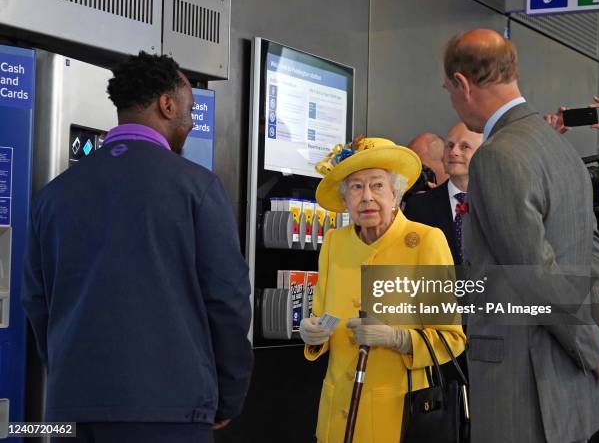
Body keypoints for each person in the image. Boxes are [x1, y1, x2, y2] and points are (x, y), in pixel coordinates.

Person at [21, 52, 253, 443]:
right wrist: (228, 395)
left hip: (71, 411)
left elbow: (36, 301)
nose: (191, 122)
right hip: (170, 409)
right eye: (189, 109)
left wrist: (69, 376)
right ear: (167, 104)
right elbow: (227, 299)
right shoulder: (197, 188)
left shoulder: (53, 195)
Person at [442, 29, 599, 443]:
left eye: (448, 88)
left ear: (463, 84)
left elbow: (535, 271)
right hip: (570, 385)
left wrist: (593, 351)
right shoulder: (562, 151)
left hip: (523, 385)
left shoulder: (497, 155)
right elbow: (591, 249)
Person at [299, 137, 466, 443]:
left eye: (377, 185)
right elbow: (320, 315)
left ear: (395, 191)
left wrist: (397, 338)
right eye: (355, 187)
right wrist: (312, 333)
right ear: (345, 199)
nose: (366, 197)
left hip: (398, 418)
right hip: (336, 418)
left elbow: (451, 338)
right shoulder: (335, 244)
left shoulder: (425, 242)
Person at [403, 123, 483, 264]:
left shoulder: (502, 204)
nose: (454, 152)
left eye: (464, 147)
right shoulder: (418, 207)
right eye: (450, 146)